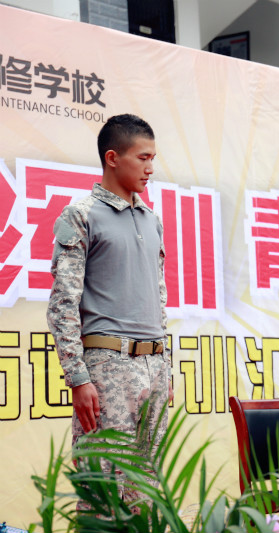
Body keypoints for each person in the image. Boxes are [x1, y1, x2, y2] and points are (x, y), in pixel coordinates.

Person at [46, 114, 171, 511]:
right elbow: (63, 302)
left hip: (154, 366)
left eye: (153, 159)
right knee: (104, 490)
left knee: (148, 489)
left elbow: (158, 297)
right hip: (108, 366)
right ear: (113, 158)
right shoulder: (81, 214)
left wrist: (165, 364)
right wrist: (78, 377)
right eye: (142, 158)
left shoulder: (152, 220)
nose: (150, 168)